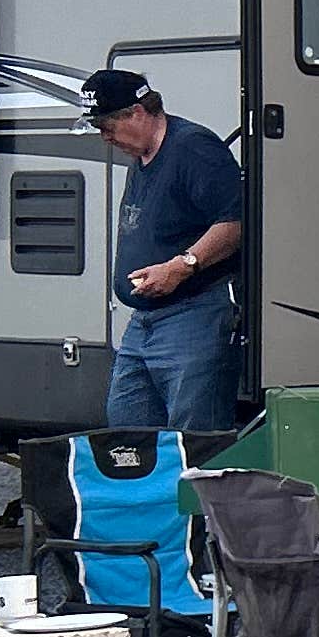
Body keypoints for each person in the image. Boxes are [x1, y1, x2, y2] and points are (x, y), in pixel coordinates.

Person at [82, 67, 244, 433]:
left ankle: (194, 491)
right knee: (127, 428)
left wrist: (182, 265)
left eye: (106, 127)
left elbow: (236, 221)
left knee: (192, 436)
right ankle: (147, 491)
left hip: (194, 314)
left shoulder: (193, 148)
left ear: (137, 113)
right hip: (144, 320)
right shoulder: (140, 159)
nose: (104, 137)